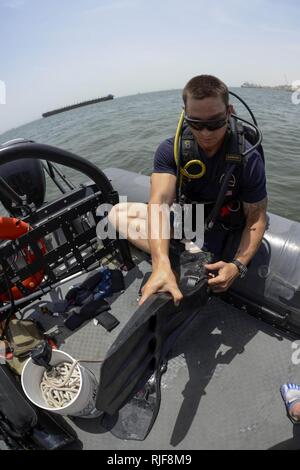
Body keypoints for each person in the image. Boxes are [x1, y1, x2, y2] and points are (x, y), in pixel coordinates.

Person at [108, 75, 267, 305]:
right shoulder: (169, 150)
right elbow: (159, 202)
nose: (205, 133)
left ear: (229, 112)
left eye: (215, 123)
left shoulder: (248, 156)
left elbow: (256, 217)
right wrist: (160, 262)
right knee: (115, 214)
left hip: (222, 227)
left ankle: (195, 258)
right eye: (196, 123)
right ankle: (174, 260)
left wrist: (238, 266)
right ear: (184, 113)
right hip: (188, 219)